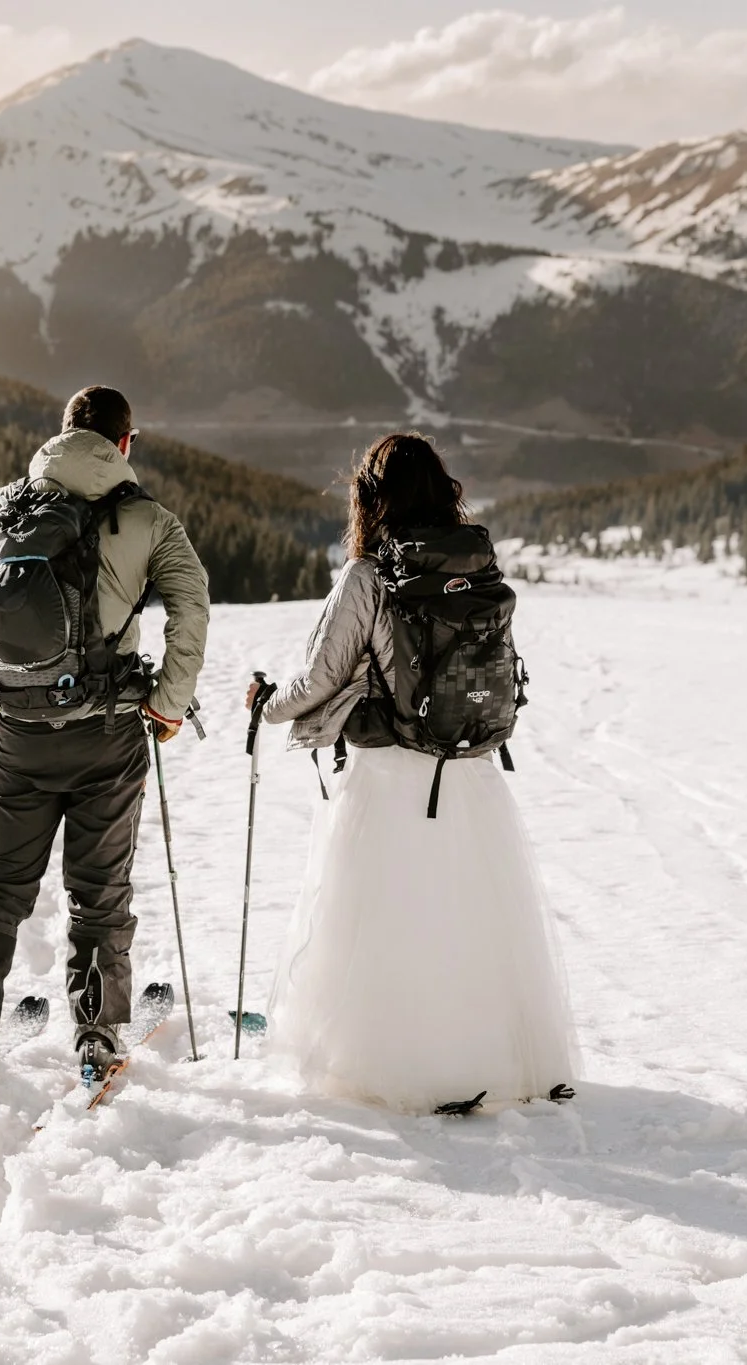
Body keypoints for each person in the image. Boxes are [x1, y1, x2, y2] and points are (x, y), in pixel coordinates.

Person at [252, 432, 577, 1113]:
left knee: (390, 921)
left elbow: (317, 679)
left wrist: (265, 705)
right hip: (472, 774)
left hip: (391, 777)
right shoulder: (477, 568)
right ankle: (489, 1060)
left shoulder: (370, 577)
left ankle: (398, 1068)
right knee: (468, 921)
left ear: (371, 500)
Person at [0, 385, 209, 1093]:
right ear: (126, 443)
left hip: (17, 731)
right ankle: (96, 1027)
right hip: (110, 733)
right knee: (98, 890)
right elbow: (190, 605)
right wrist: (169, 703)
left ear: (60, 436)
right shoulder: (149, 518)